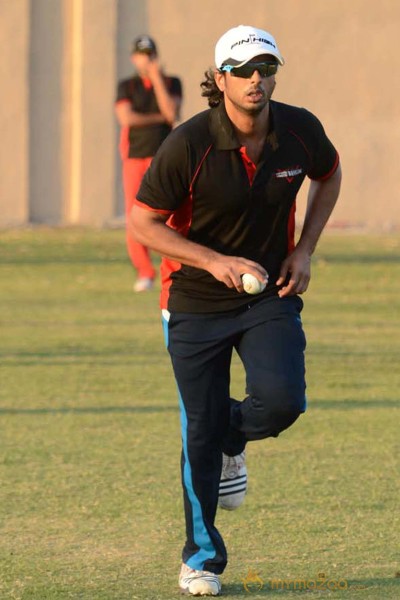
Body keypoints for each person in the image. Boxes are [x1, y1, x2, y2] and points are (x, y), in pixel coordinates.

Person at [130, 24, 342, 596]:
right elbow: (142, 221)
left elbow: (330, 174)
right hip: (195, 301)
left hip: (268, 296)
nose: (257, 80)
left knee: (281, 401)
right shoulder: (189, 143)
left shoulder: (299, 130)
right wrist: (213, 260)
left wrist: (304, 250)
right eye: (244, 70)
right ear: (220, 78)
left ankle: (232, 436)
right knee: (197, 430)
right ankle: (200, 559)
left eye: (266, 68)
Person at [115, 35, 182, 292]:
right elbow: (126, 117)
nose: (147, 59)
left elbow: (171, 113)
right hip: (134, 156)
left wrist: (156, 79)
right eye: (142, 55)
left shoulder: (170, 82)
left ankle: (174, 265)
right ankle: (144, 271)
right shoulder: (127, 86)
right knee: (136, 215)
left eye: (150, 54)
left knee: (169, 214)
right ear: (134, 58)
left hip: (163, 156)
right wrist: (158, 118)